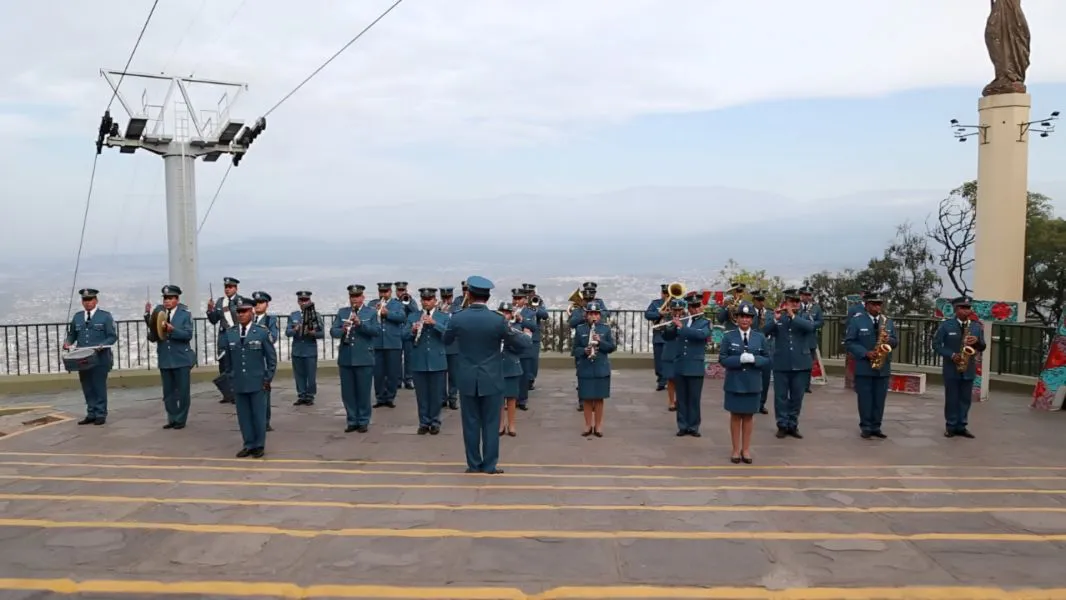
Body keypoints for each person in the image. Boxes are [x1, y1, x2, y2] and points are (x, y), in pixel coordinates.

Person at [443, 275, 527, 474]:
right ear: (487, 298)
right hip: (492, 377)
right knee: (491, 423)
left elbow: (447, 340)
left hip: (467, 377)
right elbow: (521, 343)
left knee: (470, 423)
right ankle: (489, 465)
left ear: (469, 296)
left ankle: (473, 464)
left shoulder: (458, 318)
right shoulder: (497, 320)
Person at [222, 297, 277, 458]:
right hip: (239, 381)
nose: (241, 315)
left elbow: (271, 359)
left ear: (251, 312)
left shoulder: (261, 332)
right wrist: (231, 377)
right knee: (243, 416)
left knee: (258, 415)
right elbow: (228, 361)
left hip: (257, 381)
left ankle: (259, 445)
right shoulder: (230, 333)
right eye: (238, 312)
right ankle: (248, 444)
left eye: (244, 311)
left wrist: (267, 379)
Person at [719, 302, 771, 463]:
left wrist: (755, 359)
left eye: (748, 317)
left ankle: (746, 449)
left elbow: (768, 358)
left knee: (748, 417)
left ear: (752, 320)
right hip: (735, 381)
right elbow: (723, 358)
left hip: (752, 382)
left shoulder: (759, 337)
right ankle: (735, 450)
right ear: (737, 318)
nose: (745, 320)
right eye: (742, 316)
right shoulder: (729, 337)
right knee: (735, 416)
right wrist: (738, 359)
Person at [845, 291, 899, 439]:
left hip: (883, 367)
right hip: (864, 366)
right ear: (867, 305)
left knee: (879, 399)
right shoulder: (857, 321)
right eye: (874, 304)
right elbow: (849, 342)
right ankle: (866, 426)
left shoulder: (887, 321)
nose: (877, 307)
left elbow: (895, 341)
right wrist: (865, 353)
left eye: (879, 304)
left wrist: (889, 340)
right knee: (865, 398)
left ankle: (877, 426)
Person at [932, 296, 987, 439]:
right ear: (956, 309)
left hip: (968, 367)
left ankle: (962, 426)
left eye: (968, 308)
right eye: (963, 308)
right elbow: (936, 345)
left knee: (965, 399)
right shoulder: (946, 325)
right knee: (952, 398)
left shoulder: (976, 326)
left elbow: (983, 346)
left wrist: (977, 342)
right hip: (951, 368)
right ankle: (950, 426)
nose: (966, 311)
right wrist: (951, 355)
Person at [764, 288, 815, 439]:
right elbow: (764, 332)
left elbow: (810, 328)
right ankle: (782, 424)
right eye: (791, 302)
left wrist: (793, 316)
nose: (795, 304)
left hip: (801, 363)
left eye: (797, 302)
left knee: (797, 396)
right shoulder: (778, 318)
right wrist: (775, 320)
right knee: (780, 397)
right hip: (781, 363)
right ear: (785, 303)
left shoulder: (805, 316)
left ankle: (793, 424)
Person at [63, 288, 118, 425]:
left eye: (90, 300)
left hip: (100, 358)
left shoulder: (105, 316)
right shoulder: (77, 317)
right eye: (85, 300)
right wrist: (68, 343)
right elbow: (72, 335)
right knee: (87, 386)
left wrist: (102, 344)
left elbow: (112, 336)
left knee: (99, 386)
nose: (87, 303)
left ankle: (100, 413)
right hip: (82, 359)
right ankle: (91, 412)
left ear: (96, 300)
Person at [145, 285, 196, 429]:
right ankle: (172, 418)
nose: (167, 301)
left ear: (177, 299)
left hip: (181, 358)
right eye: (165, 298)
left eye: (170, 298)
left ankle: (181, 419)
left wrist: (173, 330)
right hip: (165, 358)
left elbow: (187, 335)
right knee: (168, 392)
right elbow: (153, 337)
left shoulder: (184, 314)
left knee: (183, 391)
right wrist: (149, 322)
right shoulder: (158, 312)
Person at [331, 285, 380, 433]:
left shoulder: (370, 312)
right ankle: (352, 419)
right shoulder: (342, 312)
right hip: (346, 358)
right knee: (348, 392)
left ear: (363, 298)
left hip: (364, 357)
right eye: (353, 297)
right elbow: (333, 331)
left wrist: (360, 324)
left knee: (363, 392)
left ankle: (363, 420)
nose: (355, 299)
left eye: (358, 296)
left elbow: (375, 331)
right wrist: (342, 329)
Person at [662, 293, 711, 437]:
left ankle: (694, 426)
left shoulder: (705, 322)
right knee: (681, 398)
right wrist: (671, 325)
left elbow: (701, 335)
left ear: (701, 306)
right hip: (681, 364)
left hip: (695, 365)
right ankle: (682, 425)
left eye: (697, 306)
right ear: (688, 308)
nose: (695, 309)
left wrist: (681, 327)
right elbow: (667, 337)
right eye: (692, 307)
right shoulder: (684, 320)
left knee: (694, 398)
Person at [404, 287, 450, 435]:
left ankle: (435, 422)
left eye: (429, 299)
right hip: (419, 360)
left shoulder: (443, 316)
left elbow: (449, 335)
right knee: (421, 395)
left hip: (437, 360)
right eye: (424, 300)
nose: (426, 302)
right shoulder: (413, 316)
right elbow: (403, 335)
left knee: (436, 395)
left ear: (435, 301)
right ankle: (424, 422)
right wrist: (412, 330)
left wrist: (434, 323)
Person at [573, 299, 616, 437]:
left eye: (596, 314)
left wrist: (600, 342)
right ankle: (587, 425)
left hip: (600, 368)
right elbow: (574, 350)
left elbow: (611, 347)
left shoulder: (605, 328)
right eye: (590, 314)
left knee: (598, 398)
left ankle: (598, 426)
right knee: (586, 398)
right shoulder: (580, 329)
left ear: (599, 315)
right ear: (586, 315)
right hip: (585, 368)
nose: (593, 316)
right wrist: (584, 351)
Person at [368, 282, 407, 407]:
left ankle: (390, 397)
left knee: (392, 372)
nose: (383, 294)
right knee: (378, 372)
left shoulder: (397, 304)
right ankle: (380, 397)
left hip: (393, 342)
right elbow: (367, 318)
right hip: (377, 342)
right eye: (381, 292)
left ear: (390, 292)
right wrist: (375, 311)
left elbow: (402, 317)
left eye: (386, 292)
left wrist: (387, 313)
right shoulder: (372, 304)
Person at [286, 290, 324, 406]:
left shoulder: (315, 315)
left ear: (310, 301)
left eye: (305, 300)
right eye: (301, 300)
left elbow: (321, 334)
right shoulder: (294, 315)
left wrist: (313, 333)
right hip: (297, 349)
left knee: (311, 376)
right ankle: (301, 395)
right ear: (298, 301)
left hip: (310, 350)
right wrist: (295, 329)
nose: (303, 302)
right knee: (299, 375)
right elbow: (287, 332)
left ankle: (310, 396)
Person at [207, 276, 241, 404]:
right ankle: (227, 393)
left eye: (230, 287)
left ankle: (237, 392)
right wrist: (210, 310)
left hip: (236, 336)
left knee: (236, 365)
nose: (227, 289)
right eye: (226, 287)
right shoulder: (220, 302)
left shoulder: (240, 301)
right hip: (223, 338)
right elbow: (214, 320)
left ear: (235, 288)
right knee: (224, 365)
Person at [497, 301, 527, 437]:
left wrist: (510, 336)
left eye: (507, 313)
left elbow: (523, 346)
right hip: (497, 366)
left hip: (512, 365)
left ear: (511, 315)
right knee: (498, 398)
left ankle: (512, 424)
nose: (505, 315)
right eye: (502, 312)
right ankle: (500, 424)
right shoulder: (494, 328)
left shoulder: (516, 327)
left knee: (511, 398)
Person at [251, 291, 279, 431]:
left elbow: (273, 337)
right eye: (255, 303)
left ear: (266, 305)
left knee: (264, 392)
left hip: (263, 359)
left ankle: (265, 421)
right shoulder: (248, 318)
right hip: (250, 359)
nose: (257, 305)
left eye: (261, 302)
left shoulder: (270, 320)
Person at [749, 289, 774, 414]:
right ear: (753, 300)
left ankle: (761, 404)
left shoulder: (770, 313)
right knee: (751, 376)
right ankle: (751, 402)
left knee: (765, 378)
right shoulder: (748, 312)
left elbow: (772, 329)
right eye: (759, 300)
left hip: (766, 348)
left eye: (763, 300)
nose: (761, 302)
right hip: (752, 347)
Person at [644, 284, 671, 391]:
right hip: (659, 335)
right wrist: (659, 313)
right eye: (664, 293)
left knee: (670, 359)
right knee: (659, 360)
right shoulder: (656, 303)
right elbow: (647, 314)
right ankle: (661, 379)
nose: (666, 295)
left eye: (668, 293)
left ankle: (668, 380)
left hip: (671, 335)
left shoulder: (675, 303)